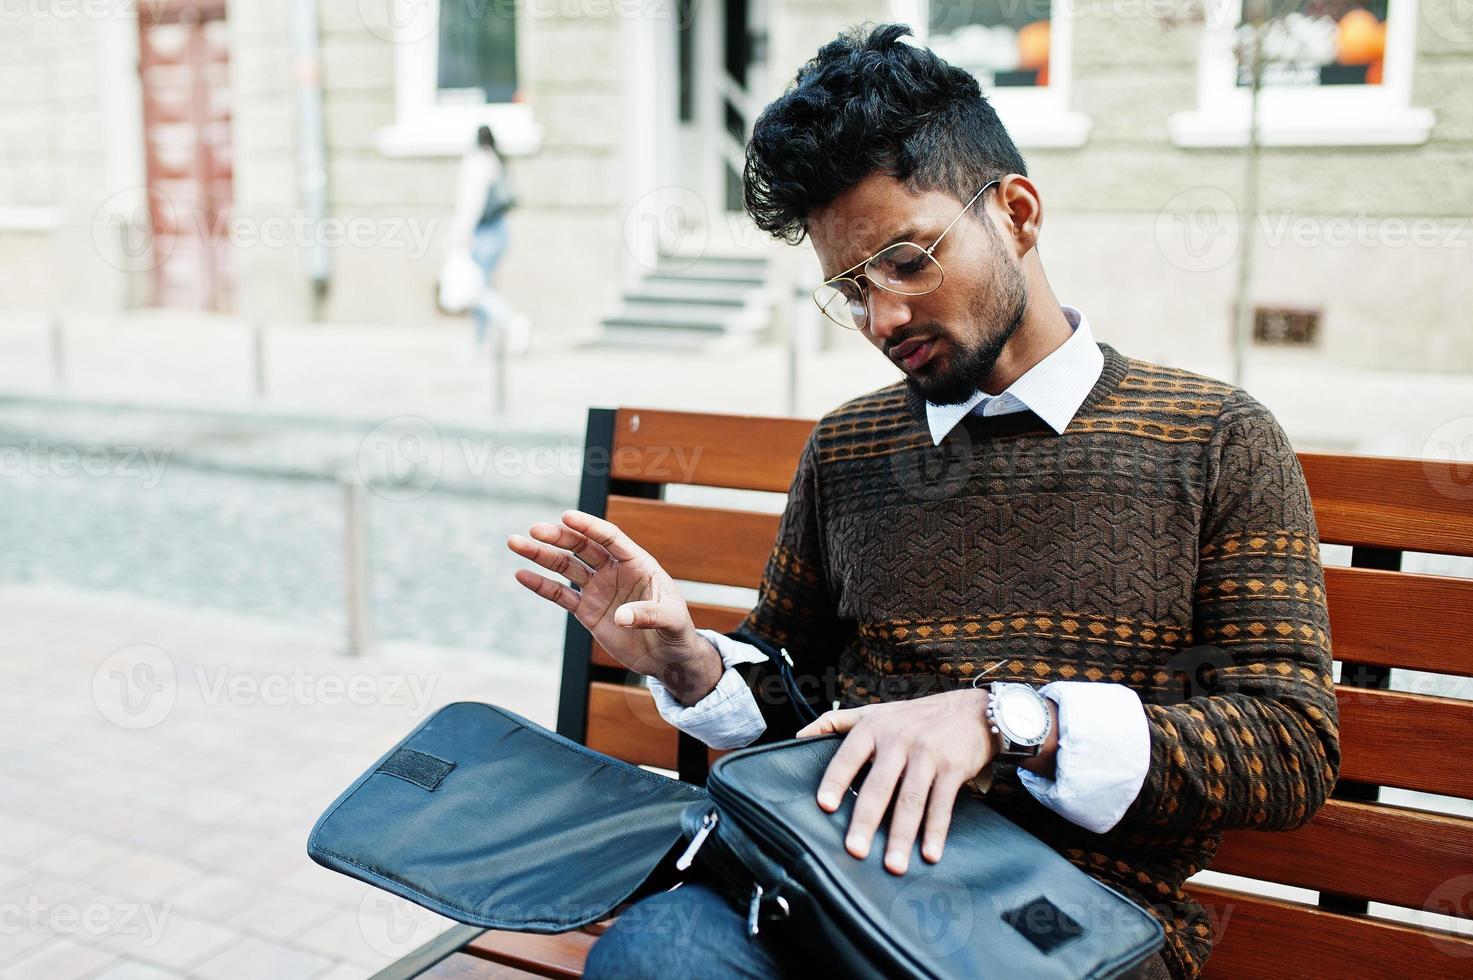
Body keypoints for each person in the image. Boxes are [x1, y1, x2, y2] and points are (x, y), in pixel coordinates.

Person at [506, 24, 1337, 980]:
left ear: (1016, 214)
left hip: (1061, 924)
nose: (882, 319)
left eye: (906, 260)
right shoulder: (849, 446)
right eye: (850, 290)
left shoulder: (1215, 438)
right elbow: (795, 687)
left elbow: (1289, 744)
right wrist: (694, 666)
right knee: (657, 955)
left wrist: (1007, 721)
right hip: (829, 881)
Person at [447, 125, 528, 353]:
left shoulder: (478, 163)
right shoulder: (497, 160)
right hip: (498, 230)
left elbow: (471, 205)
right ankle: (480, 341)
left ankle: (512, 323)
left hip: (483, 232)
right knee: (482, 286)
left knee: (477, 290)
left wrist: (460, 235)